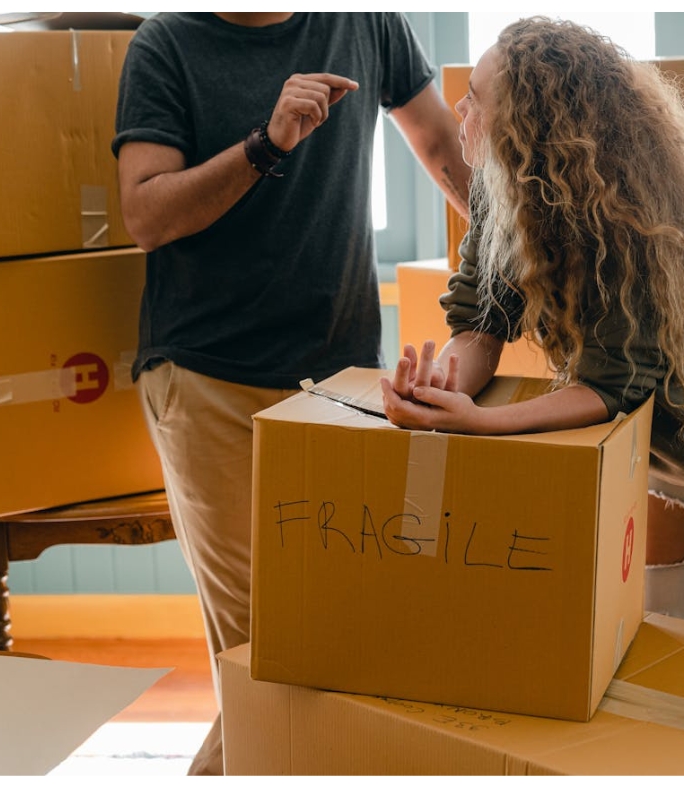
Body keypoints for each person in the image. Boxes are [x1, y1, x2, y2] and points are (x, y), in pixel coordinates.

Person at [380, 17, 684, 657]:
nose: (459, 108)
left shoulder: (623, 221)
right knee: (659, 620)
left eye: (476, 99)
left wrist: (481, 424)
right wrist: (443, 388)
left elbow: (609, 389)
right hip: (668, 429)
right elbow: (481, 325)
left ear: (527, 125)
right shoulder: (500, 187)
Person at [111, 12, 471, 775]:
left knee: (329, 638)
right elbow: (145, 214)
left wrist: (527, 250)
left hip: (339, 378)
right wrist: (264, 145)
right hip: (209, 373)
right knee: (264, 647)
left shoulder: (366, 21)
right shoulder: (166, 45)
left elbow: (441, 145)